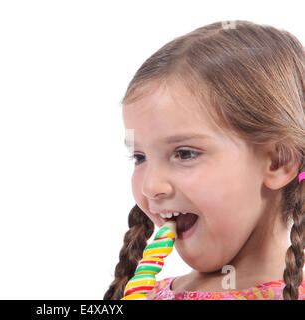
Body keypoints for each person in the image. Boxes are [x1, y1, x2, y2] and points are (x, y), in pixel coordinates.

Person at [104, 20, 304, 300]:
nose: (151, 186)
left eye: (185, 153)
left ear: (277, 161)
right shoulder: (146, 293)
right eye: (140, 157)